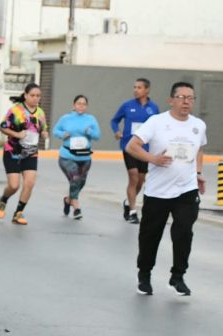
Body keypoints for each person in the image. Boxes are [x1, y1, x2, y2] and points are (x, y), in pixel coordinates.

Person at [127, 82, 206, 297]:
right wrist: (153, 158)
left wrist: (198, 173)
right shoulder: (156, 122)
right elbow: (131, 146)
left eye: (190, 98)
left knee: (183, 233)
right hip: (158, 191)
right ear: (171, 100)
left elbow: (199, 149)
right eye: (181, 97)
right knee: (150, 235)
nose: (186, 101)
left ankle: (177, 276)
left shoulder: (198, 125)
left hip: (186, 190)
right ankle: (144, 275)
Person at [0, 83, 48, 225]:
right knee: (14, 185)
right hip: (13, 152)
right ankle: (4, 199)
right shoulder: (16, 111)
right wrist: (17, 134)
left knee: (30, 183)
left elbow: (43, 128)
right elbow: (3, 127)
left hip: (31, 152)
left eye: (38, 96)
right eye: (32, 95)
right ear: (25, 95)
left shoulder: (40, 113)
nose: (36, 98)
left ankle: (18, 212)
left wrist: (44, 133)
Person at [111, 78, 160, 224]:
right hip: (129, 146)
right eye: (134, 87)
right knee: (133, 176)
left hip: (145, 149)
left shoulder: (154, 108)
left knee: (140, 180)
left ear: (147, 90)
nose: (135, 90)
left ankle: (128, 201)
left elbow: (158, 126)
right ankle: (133, 211)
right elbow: (114, 120)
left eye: (139, 87)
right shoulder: (127, 105)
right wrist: (117, 131)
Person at [53, 95, 101, 220]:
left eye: (84, 104)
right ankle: (77, 208)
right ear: (73, 105)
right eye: (78, 103)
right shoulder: (66, 118)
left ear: (87, 106)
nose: (81, 106)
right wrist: (63, 134)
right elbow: (55, 131)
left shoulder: (91, 119)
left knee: (81, 182)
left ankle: (68, 199)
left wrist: (89, 132)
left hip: (85, 157)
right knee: (75, 178)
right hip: (67, 155)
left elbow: (97, 136)